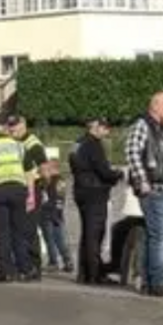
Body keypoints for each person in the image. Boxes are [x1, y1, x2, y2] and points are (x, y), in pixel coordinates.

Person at [125, 92, 163, 298]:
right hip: (156, 190)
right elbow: (132, 152)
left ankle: (150, 281)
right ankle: (158, 282)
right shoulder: (143, 125)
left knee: (154, 237)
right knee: (161, 238)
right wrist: (143, 182)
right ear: (155, 105)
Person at [0, 115, 36, 284]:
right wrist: (31, 195)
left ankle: (6, 272)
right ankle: (24, 270)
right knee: (19, 232)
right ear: (7, 130)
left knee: (2, 233)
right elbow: (29, 173)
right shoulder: (19, 147)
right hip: (18, 190)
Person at [70, 117, 123, 285]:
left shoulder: (77, 143)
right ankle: (95, 274)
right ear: (96, 127)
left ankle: (83, 273)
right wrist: (118, 174)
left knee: (86, 233)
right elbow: (103, 171)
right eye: (105, 128)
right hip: (95, 192)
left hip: (80, 190)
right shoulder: (94, 145)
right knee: (95, 234)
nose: (107, 132)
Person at [10, 116, 50, 279]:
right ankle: (24, 265)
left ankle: (34, 267)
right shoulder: (14, 143)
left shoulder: (32, 144)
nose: (13, 130)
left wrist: (43, 186)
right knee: (20, 229)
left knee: (29, 229)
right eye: (11, 127)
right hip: (20, 189)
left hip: (32, 189)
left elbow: (45, 168)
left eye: (16, 127)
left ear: (24, 125)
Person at [37, 159, 72, 274]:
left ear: (52, 169)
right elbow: (59, 198)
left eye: (46, 168)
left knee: (50, 240)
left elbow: (47, 198)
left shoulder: (49, 181)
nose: (42, 171)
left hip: (47, 213)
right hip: (58, 213)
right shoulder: (62, 181)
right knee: (60, 239)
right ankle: (68, 261)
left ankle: (53, 262)